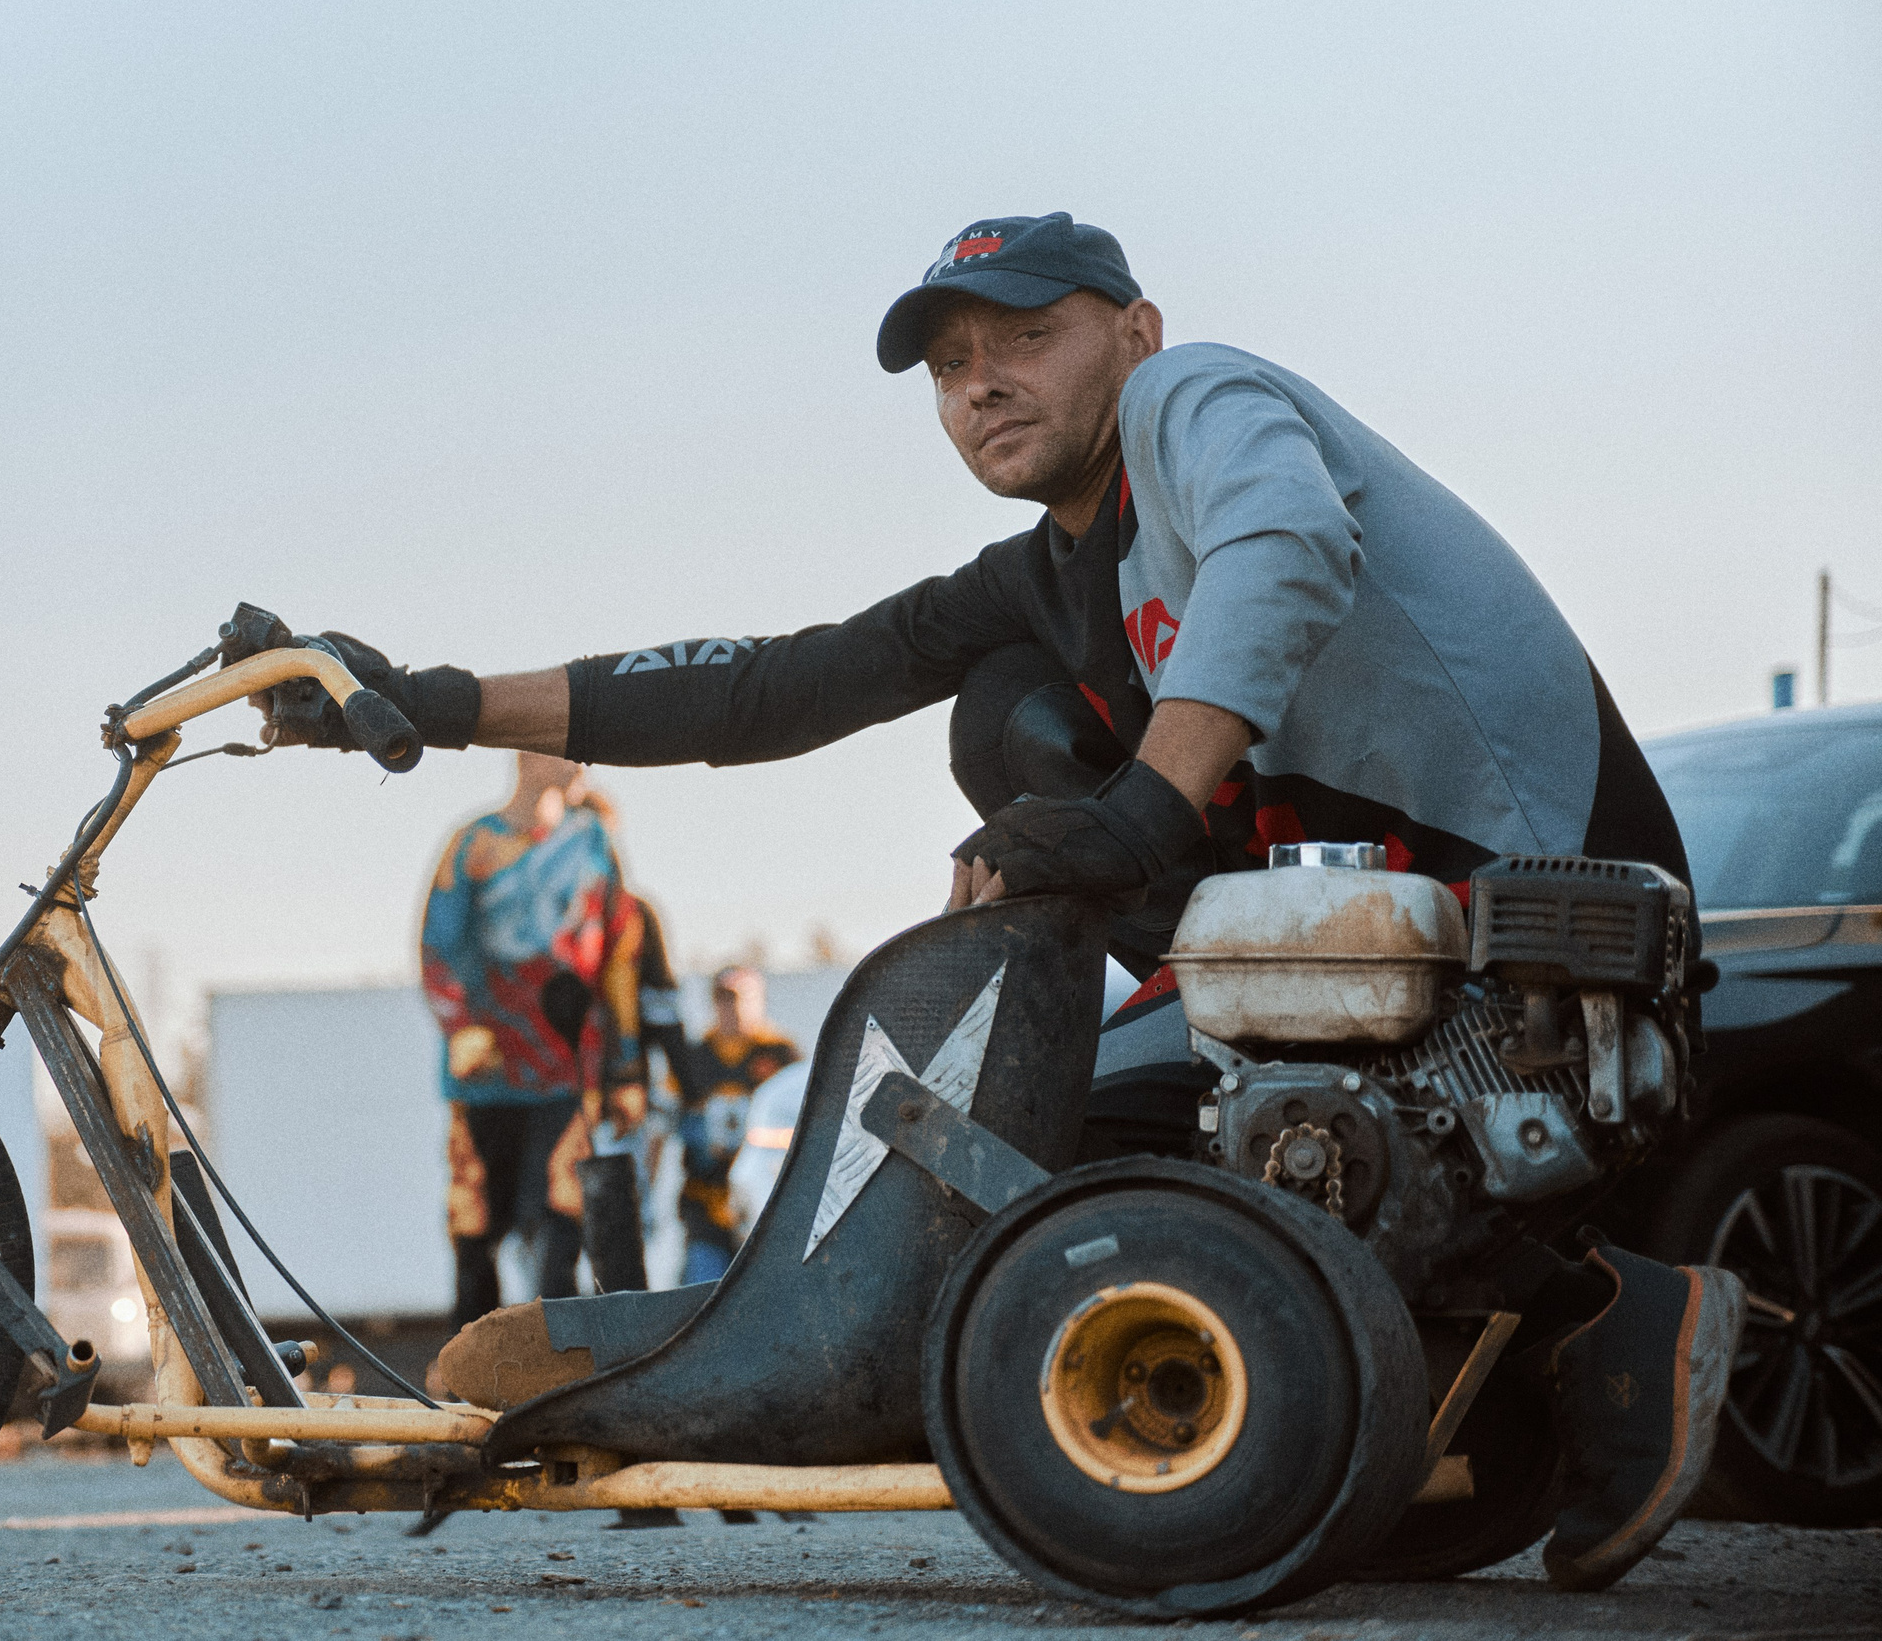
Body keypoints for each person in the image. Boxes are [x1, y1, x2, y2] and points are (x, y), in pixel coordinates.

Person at [251, 210, 1742, 1592]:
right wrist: (434, 700)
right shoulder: (1044, 570)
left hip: (1529, 920)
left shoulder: (1200, 402)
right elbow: (773, 683)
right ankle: (1417, 1383)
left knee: (1022, 767)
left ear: (1135, 332)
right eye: (952, 365)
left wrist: (1138, 813)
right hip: (1336, 961)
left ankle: (1594, 1306)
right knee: (1028, 1167)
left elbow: (1287, 549)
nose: (981, 385)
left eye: (1025, 338)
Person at [420, 753, 643, 1335]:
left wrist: (626, 1067)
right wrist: (462, 1026)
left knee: (561, 1217)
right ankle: (473, 1369)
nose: (581, 759)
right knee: (476, 1226)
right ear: (527, 755)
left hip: (569, 1067)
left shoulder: (593, 841)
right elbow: (440, 944)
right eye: (562, 747)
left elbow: (620, 956)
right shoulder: (473, 843)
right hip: (487, 1071)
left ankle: (559, 1367)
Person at [673, 966, 799, 1285]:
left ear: (761, 999)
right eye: (725, 999)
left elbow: (807, 1122)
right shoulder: (694, 1056)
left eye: (742, 998)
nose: (734, 1008)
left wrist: (755, 1139)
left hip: (766, 1205)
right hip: (707, 1199)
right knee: (701, 1294)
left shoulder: (783, 1053)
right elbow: (668, 1123)